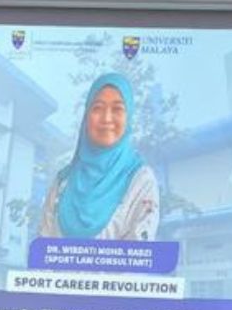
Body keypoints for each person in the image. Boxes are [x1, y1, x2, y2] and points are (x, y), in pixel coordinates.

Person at [39, 72, 160, 241]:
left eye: (117, 109)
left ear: (129, 118)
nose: (106, 118)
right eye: (97, 108)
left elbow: (139, 251)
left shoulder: (140, 180)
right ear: (86, 117)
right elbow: (44, 246)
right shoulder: (62, 183)